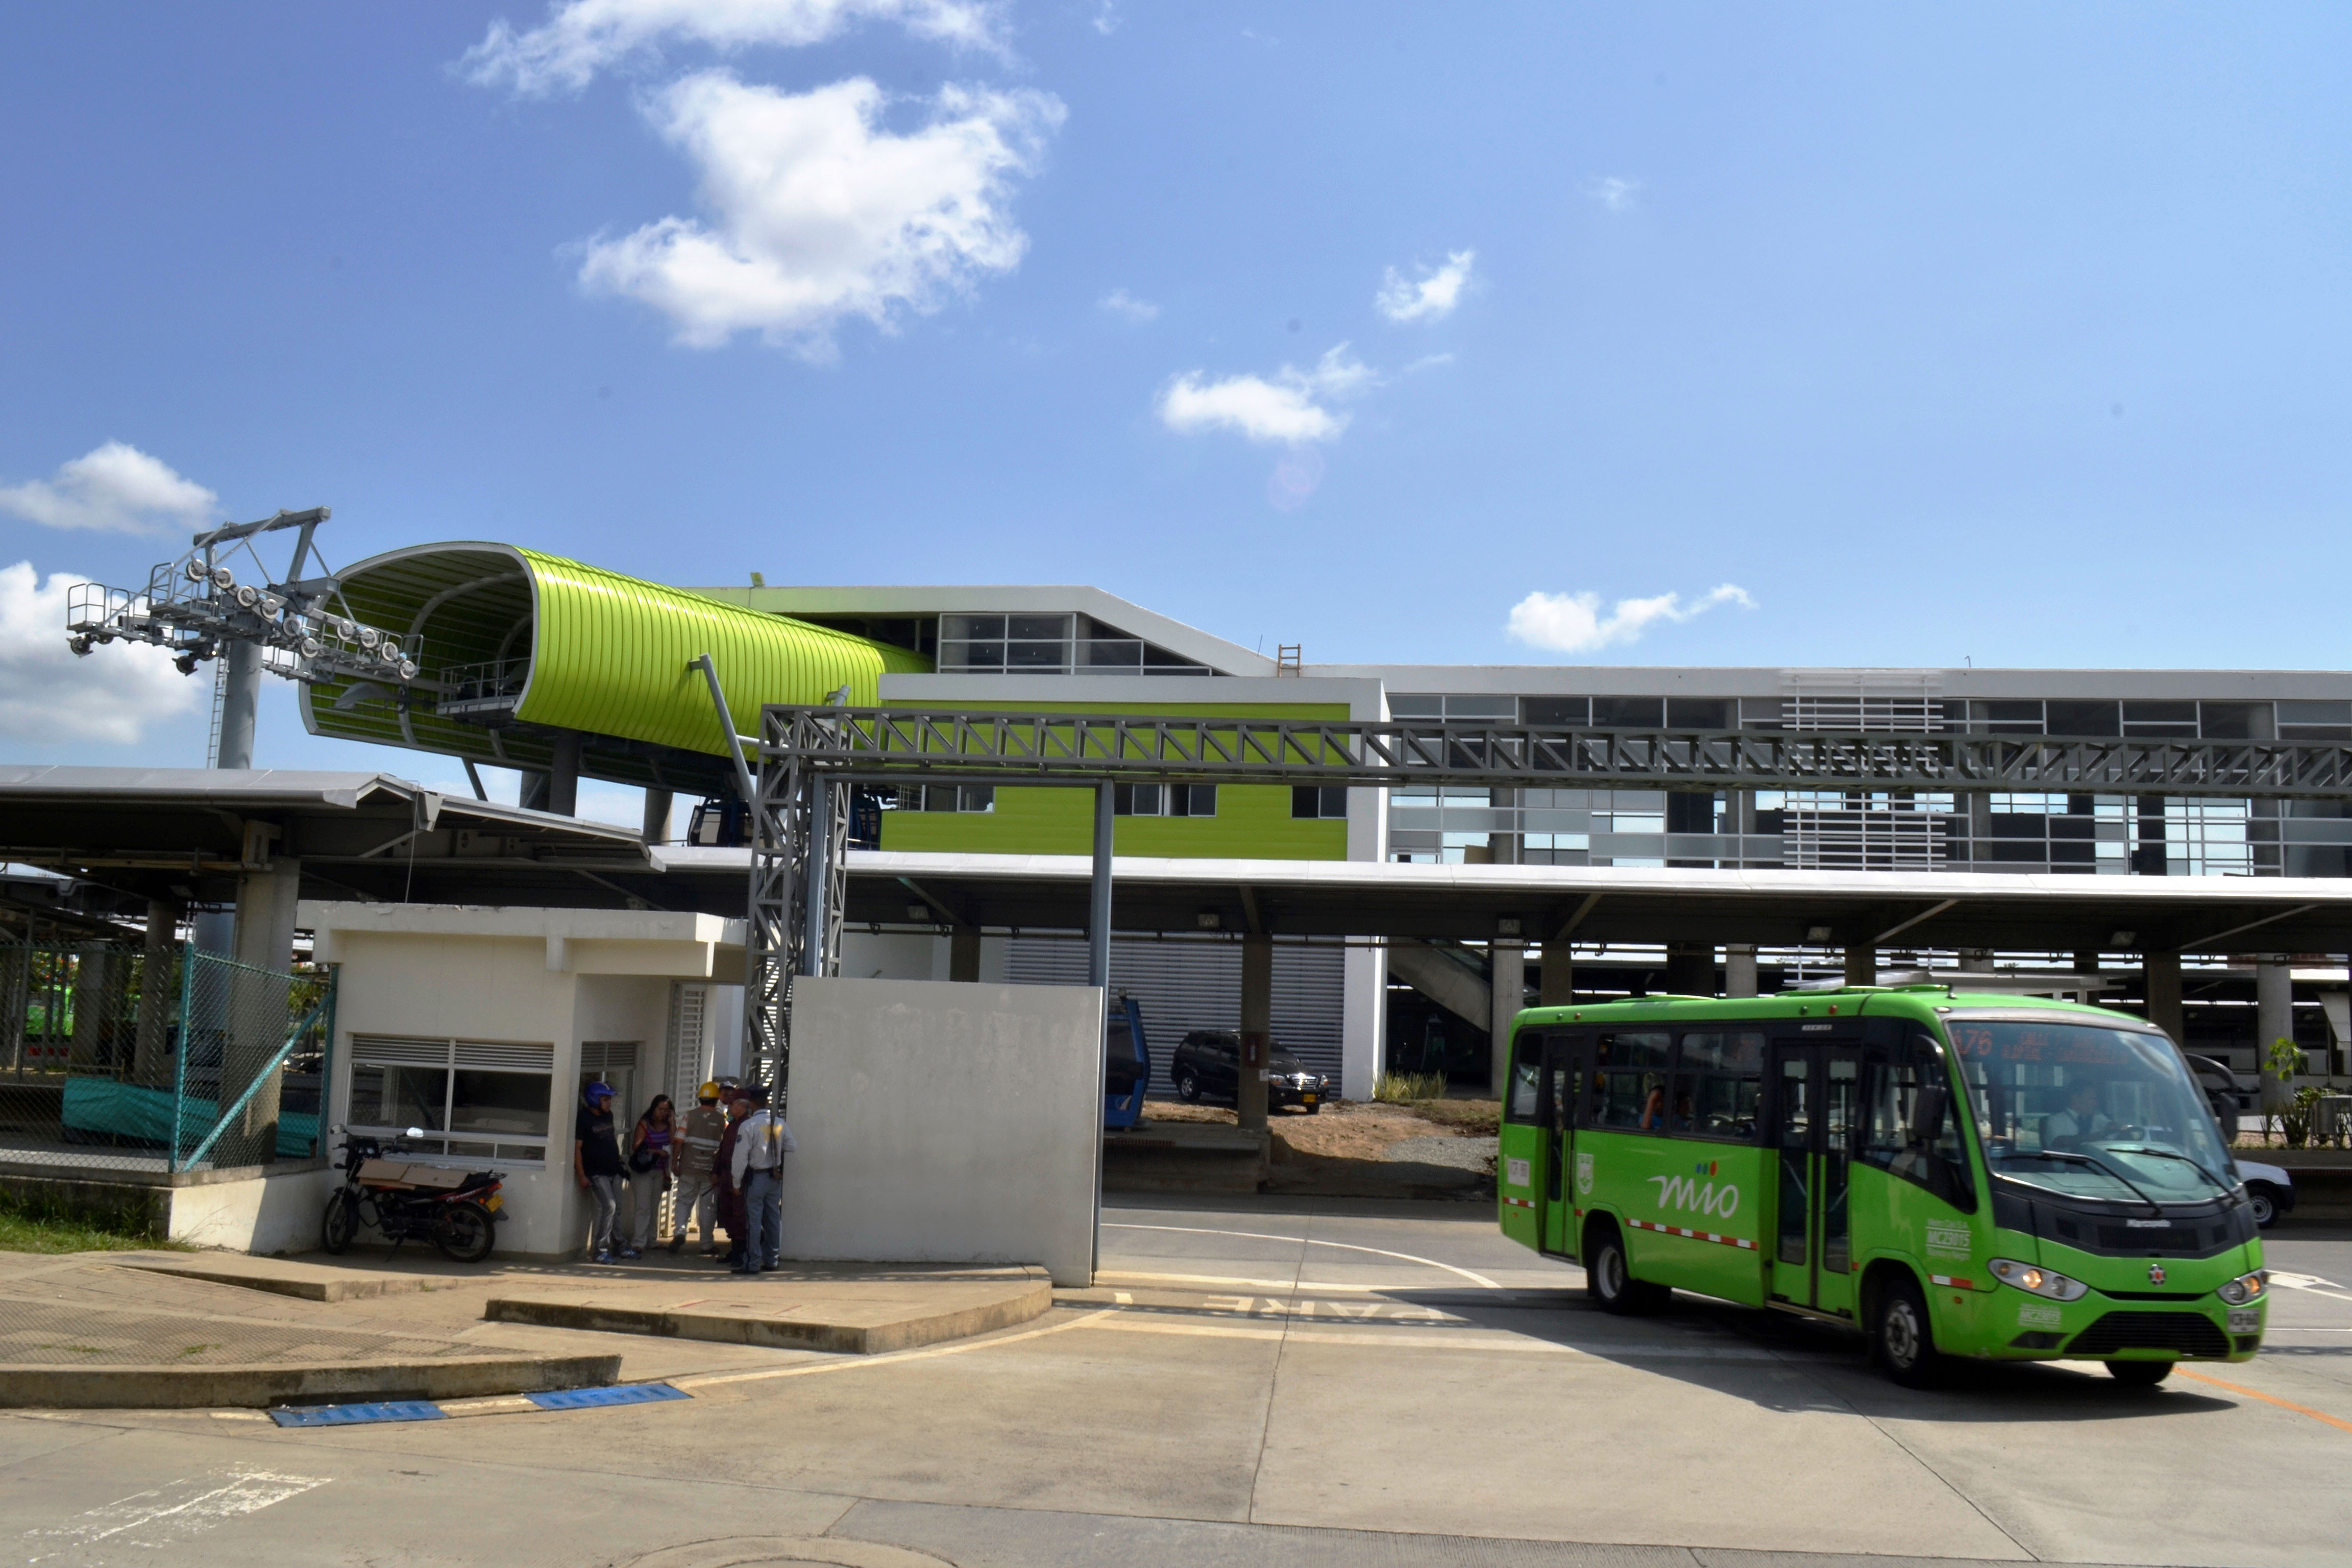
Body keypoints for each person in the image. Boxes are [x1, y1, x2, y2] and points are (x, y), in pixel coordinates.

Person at [728, 1083, 798, 1275]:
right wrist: (775, 1144)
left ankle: (752, 1263)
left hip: (756, 1178)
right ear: (766, 1102)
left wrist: (736, 1182)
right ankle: (772, 1261)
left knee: (753, 1221)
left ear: (751, 1104)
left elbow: (740, 1158)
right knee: (773, 1220)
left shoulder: (749, 1125)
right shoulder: (779, 1124)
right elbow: (792, 1146)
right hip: (774, 1178)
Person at [669, 1081, 727, 1255]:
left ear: (700, 1098)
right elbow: (727, 1143)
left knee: (684, 1201)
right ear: (716, 1100)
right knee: (708, 1207)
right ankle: (707, 1245)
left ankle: (680, 1232)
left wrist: (675, 1162)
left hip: (689, 1167)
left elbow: (679, 1140)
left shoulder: (690, 1116)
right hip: (710, 1171)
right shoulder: (721, 1120)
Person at [573, 1080, 625, 1263]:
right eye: (605, 1099)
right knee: (609, 1206)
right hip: (596, 1172)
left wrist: (618, 1160)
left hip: (613, 1169)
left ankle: (620, 1246)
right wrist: (581, 1175)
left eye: (609, 1099)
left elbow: (610, 1139)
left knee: (617, 1208)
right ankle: (600, 1250)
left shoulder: (608, 1115)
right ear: (594, 1099)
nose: (609, 1103)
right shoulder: (584, 1118)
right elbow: (578, 1148)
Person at [623, 1094, 674, 1257]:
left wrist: (673, 1123)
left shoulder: (668, 1124)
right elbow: (636, 1146)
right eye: (660, 1109)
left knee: (654, 1206)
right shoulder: (645, 1124)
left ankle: (652, 1240)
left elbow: (673, 1141)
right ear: (654, 1108)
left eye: (666, 1110)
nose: (663, 1113)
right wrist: (656, 1152)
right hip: (644, 1170)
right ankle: (639, 1242)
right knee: (643, 1207)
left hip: (660, 1170)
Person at [712, 1088, 752, 1270]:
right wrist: (715, 1171)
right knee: (726, 1212)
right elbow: (722, 1150)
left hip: (740, 1177)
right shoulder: (733, 1126)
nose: (729, 1108)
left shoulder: (748, 1126)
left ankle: (741, 1251)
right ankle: (734, 1248)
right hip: (726, 1175)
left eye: (732, 1105)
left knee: (739, 1215)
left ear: (742, 1106)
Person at [2045, 1083, 2113, 1148]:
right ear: (2076, 1098)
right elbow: (2058, 1142)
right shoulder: (2055, 1120)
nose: (2095, 1104)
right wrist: (2089, 1138)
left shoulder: (2097, 1117)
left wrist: (2113, 1128)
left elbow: (2111, 1127)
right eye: (2092, 1099)